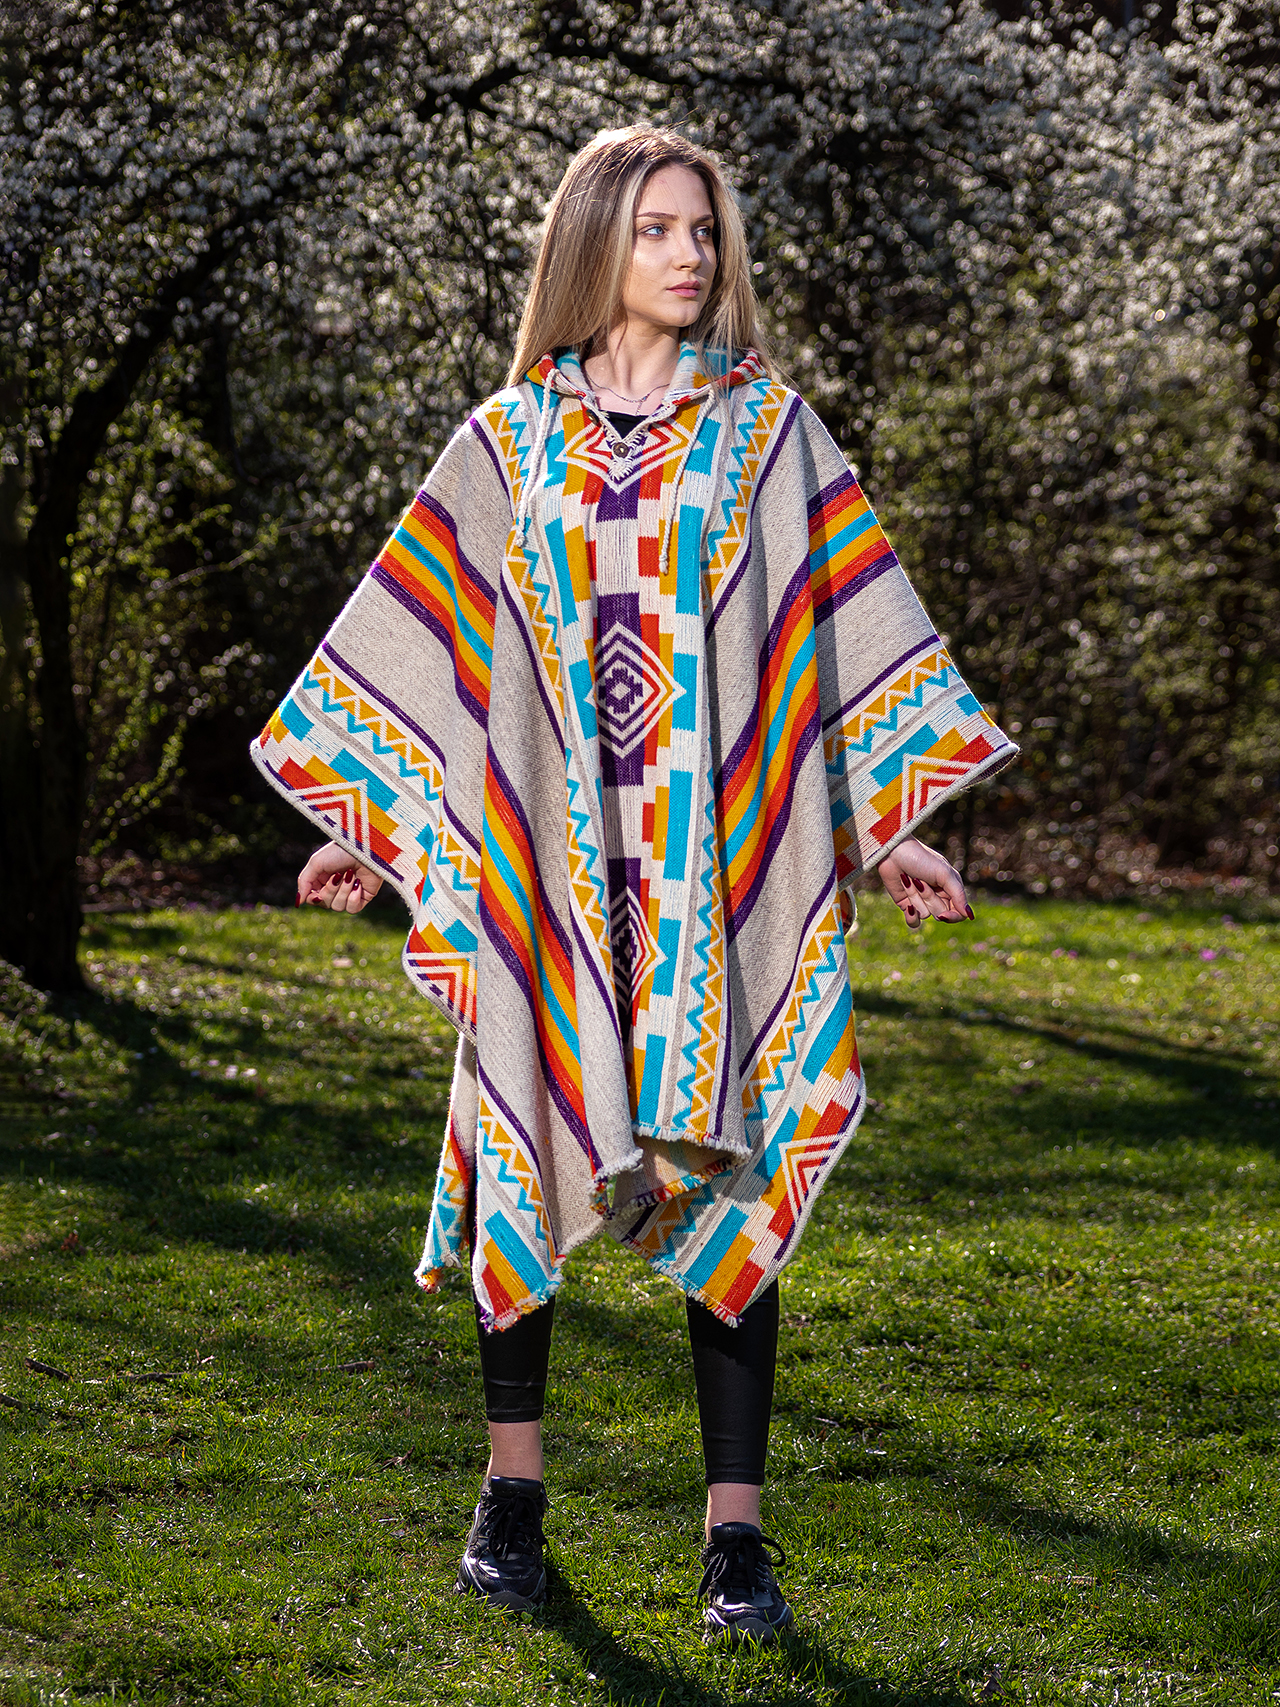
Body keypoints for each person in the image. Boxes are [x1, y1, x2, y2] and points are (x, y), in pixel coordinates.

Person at [254, 125, 1016, 1645]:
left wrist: (889, 828)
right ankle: (511, 1503)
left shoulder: (769, 433)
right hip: (547, 857)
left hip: (705, 873)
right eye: (659, 228)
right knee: (524, 1140)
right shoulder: (510, 440)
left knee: (728, 1158)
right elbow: (441, 651)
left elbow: (828, 640)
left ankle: (735, 1540)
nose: (689, 255)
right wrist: (377, 825)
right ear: (594, 243)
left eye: (705, 231)